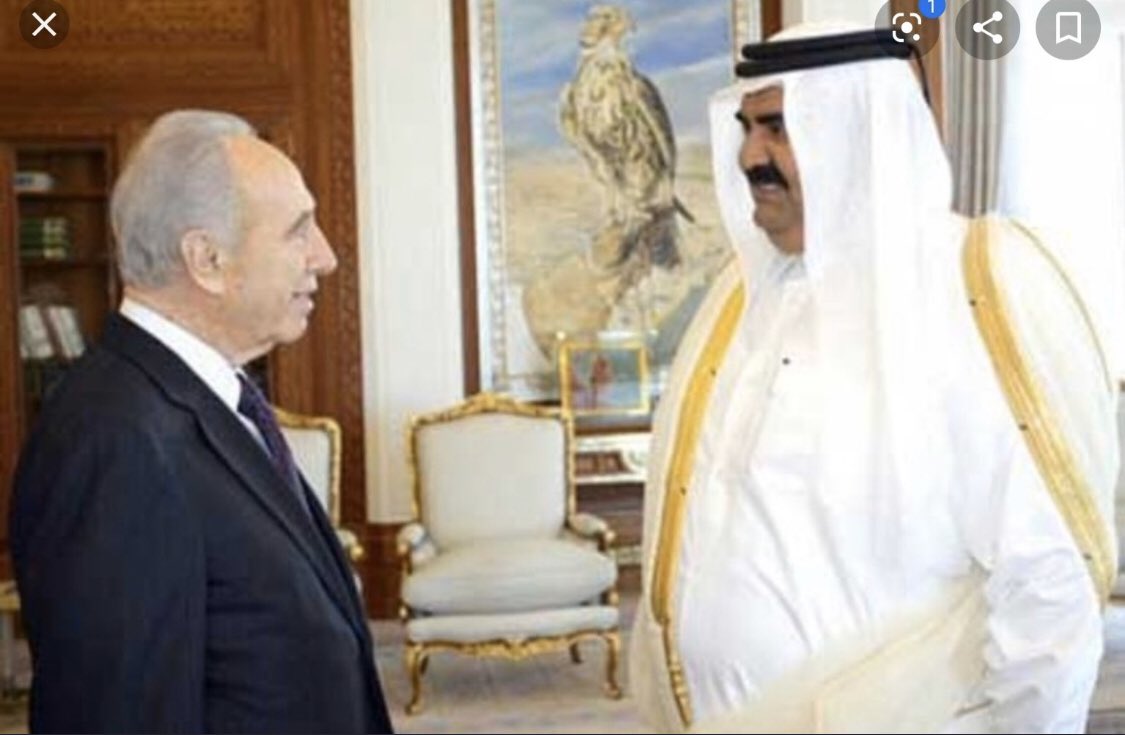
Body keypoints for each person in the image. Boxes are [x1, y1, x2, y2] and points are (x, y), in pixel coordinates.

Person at [629, 24, 1119, 734]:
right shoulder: (743, 295)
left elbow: (1047, 580)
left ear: (857, 132)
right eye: (745, 127)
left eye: (778, 128)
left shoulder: (967, 293)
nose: (749, 157)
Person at [10, 110, 394, 734]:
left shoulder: (208, 399)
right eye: (298, 230)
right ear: (207, 259)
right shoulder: (115, 443)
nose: (325, 257)